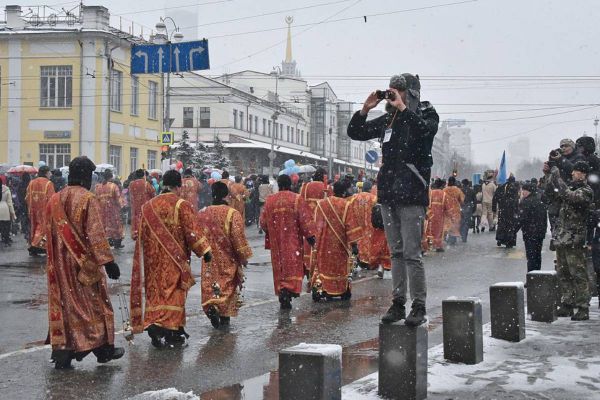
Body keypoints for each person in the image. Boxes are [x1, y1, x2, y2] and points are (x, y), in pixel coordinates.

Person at [347, 73, 439, 326]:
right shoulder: (389, 119)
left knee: (412, 253)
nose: (394, 96)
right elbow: (356, 132)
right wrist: (365, 109)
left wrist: (403, 108)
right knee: (396, 252)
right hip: (389, 194)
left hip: (411, 193)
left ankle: (418, 305)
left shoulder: (426, 114)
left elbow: (425, 134)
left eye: (399, 91)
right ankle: (398, 303)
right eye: (391, 91)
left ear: (412, 93)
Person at [45, 156, 124, 369]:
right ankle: (103, 348)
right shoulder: (88, 199)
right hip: (83, 265)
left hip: (59, 265)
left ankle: (64, 348)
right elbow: (96, 233)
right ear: (85, 176)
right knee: (95, 305)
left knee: (67, 305)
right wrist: (109, 262)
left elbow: (49, 232)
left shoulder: (54, 199)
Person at [130, 170, 212, 347]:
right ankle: (171, 331)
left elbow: (141, 233)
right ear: (178, 186)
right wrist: (205, 250)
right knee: (174, 292)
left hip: (153, 259)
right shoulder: (181, 205)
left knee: (155, 292)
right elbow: (192, 232)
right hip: (174, 258)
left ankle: (154, 323)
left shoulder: (148, 206)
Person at [197, 182, 252, 329]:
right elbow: (238, 237)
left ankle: (212, 305)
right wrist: (243, 257)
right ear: (226, 195)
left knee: (211, 284)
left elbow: (197, 236)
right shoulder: (232, 213)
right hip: (228, 257)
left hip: (208, 258)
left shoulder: (202, 213)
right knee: (227, 284)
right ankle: (224, 315)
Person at [259, 175, 316, 309]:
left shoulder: (270, 201)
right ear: (290, 184)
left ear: (278, 184)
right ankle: (289, 290)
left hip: (276, 242)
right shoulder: (296, 199)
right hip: (292, 241)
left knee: (280, 268)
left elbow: (263, 223)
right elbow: (305, 221)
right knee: (292, 266)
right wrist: (310, 236)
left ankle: (282, 289)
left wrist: (273, 230)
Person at [550, 161, 593, 321]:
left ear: (583, 174)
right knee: (564, 273)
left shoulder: (586, 191)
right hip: (563, 238)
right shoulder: (570, 187)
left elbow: (571, 197)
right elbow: (555, 198)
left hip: (575, 239)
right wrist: (552, 178)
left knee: (578, 273)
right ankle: (567, 303)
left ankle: (583, 307)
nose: (573, 174)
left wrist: (559, 181)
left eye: (576, 172)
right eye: (573, 171)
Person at [311, 180, 362, 300]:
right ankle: (339, 289)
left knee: (323, 267)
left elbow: (316, 224)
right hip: (340, 244)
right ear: (344, 192)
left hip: (323, 243)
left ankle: (321, 288)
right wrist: (354, 245)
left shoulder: (321, 204)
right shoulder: (346, 205)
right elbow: (351, 226)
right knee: (339, 268)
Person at [299, 168, 331, 275]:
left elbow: (301, 202)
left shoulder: (305, 186)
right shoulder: (326, 188)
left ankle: (308, 265)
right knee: (320, 243)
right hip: (321, 220)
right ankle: (317, 266)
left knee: (308, 242)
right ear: (323, 177)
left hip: (308, 219)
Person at [515, 182, 548, 272]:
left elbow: (521, 219)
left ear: (529, 191)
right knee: (537, 255)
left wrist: (513, 231)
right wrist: (543, 232)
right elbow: (544, 218)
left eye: (524, 190)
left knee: (531, 256)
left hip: (529, 233)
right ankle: (537, 276)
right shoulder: (540, 202)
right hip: (539, 234)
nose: (522, 192)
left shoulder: (525, 202)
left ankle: (531, 277)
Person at [347, 180, 377, 270]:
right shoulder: (373, 198)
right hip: (369, 225)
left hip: (357, 224)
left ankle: (358, 259)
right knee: (368, 242)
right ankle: (368, 260)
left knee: (358, 241)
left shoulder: (354, 197)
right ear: (370, 189)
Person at [26, 165, 55, 255]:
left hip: (33, 209)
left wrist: (31, 206)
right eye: (49, 172)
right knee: (43, 228)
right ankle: (36, 245)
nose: (50, 174)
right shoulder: (48, 184)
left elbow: (27, 197)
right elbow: (52, 199)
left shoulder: (31, 182)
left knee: (34, 227)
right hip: (44, 210)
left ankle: (33, 244)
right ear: (46, 173)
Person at [422, 179, 456, 252]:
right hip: (439, 216)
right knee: (438, 232)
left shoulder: (430, 193)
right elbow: (448, 208)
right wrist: (451, 216)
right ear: (442, 186)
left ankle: (426, 245)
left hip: (429, 214)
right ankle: (437, 246)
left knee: (428, 230)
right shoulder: (444, 194)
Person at [95, 170, 126, 249]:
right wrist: (122, 206)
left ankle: (106, 242)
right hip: (113, 210)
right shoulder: (113, 186)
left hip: (102, 211)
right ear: (111, 177)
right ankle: (117, 243)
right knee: (116, 226)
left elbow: (95, 199)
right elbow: (118, 198)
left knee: (104, 226)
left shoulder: (98, 187)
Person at [493, 175, 520, 248]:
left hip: (502, 208)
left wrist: (494, 208)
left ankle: (500, 238)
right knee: (510, 226)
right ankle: (509, 241)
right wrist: (517, 211)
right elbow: (516, 200)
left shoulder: (501, 187)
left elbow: (495, 197)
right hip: (511, 210)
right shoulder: (514, 188)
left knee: (502, 224)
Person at [128, 169, 155, 239]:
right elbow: (152, 193)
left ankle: (136, 233)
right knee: (145, 219)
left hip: (135, 206)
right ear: (143, 175)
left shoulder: (131, 184)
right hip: (145, 206)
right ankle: (145, 233)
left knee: (136, 219)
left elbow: (130, 195)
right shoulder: (146, 184)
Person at [443, 177, 464, 245]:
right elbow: (462, 200)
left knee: (446, 223)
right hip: (455, 210)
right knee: (455, 224)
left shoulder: (444, 190)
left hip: (446, 210)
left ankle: (444, 237)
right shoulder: (458, 190)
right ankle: (452, 239)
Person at [0, 179, 16, 246]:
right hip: (5, 209)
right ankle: (6, 239)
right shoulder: (6, 189)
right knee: (6, 226)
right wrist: (13, 213)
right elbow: (9, 203)